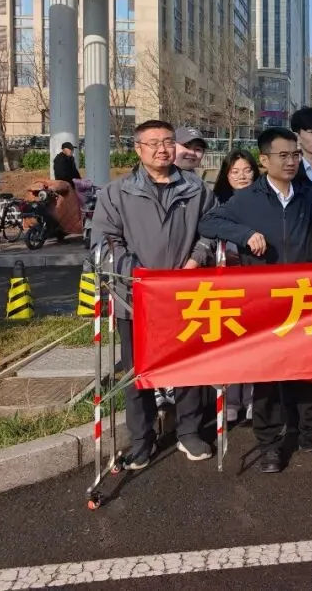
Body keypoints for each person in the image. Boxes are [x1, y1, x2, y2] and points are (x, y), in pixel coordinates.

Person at [199, 127, 312, 473]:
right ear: (264, 160)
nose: (291, 161)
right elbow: (209, 222)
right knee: (267, 373)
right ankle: (270, 443)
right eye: (283, 155)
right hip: (264, 300)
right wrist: (245, 234)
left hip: (303, 297)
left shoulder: (305, 193)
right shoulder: (247, 199)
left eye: (295, 154)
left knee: (310, 369)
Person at [90, 120, 216, 469]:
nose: (162, 149)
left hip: (185, 293)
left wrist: (196, 259)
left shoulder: (197, 189)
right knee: (137, 370)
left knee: (188, 365)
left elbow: (211, 229)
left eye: (168, 141)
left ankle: (189, 431)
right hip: (136, 298)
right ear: (138, 149)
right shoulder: (116, 193)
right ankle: (142, 439)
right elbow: (105, 242)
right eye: (153, 143)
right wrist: (139, 276)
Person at [208, 149, 260, 423]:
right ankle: (230, 398)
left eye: (247, 170)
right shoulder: (217, 203)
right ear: (225, 175)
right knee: (229, 341)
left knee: (254, 341)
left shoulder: (264, 201)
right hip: (225, 282)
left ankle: (252, 397)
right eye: (235, 172)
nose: (242, 177)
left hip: (255, 282)